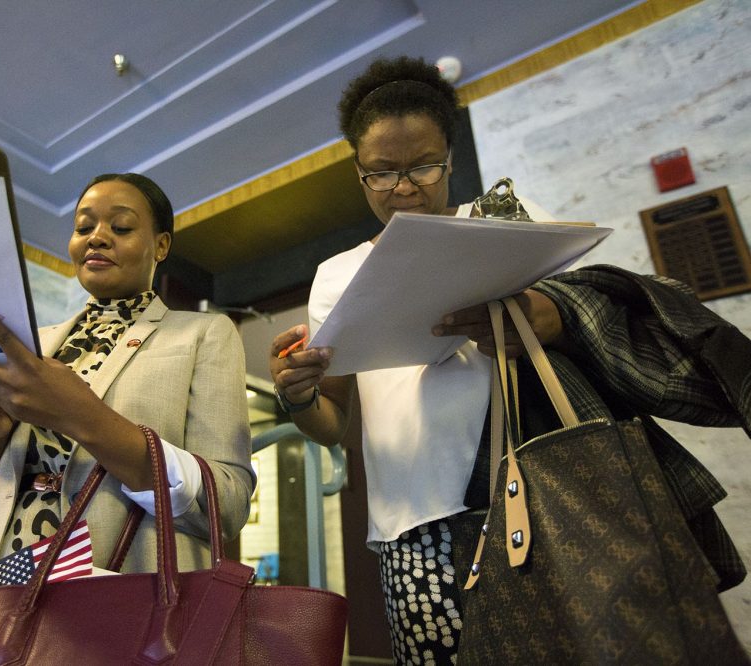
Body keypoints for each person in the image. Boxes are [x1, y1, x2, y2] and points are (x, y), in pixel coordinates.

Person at [269, 56, 750, 665]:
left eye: (422, 166)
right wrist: (299, 395)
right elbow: (335, 424)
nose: (404, 187)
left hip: (552, 482)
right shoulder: (336, 275)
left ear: (450, 155)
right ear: (357, 171)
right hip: (416, 520)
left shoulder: (507, 222)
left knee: (599, 641)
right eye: (381, 174)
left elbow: (586, 325)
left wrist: (547, 317)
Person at [0, 173, 255, 602]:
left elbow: (228, 504)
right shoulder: (36, 344)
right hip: (6, 583)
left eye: (120, 227)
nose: (97, 238)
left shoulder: (202, 333)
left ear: (161, 245)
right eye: (84, 227)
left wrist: (83, 417)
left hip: (125, 594)